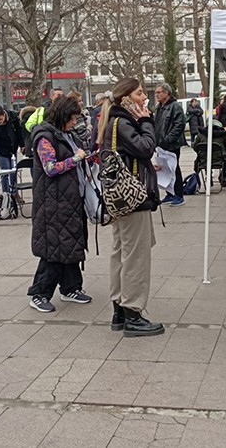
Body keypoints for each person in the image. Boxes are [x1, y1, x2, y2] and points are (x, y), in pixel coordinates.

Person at [98, 77, 164, 337]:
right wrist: (147, 121)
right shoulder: (124, 122)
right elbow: (146, 148)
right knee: (135, 256)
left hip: (120, 199)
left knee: (121, 252)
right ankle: (133, 313)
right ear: (125, 98)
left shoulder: (112, 121)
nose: (144, 97)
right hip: (133, 198)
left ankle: (119, 309)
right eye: (139, 93)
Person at [27, 96, 92, 313]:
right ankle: (39, 293)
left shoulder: (67, 133)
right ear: (62, 116)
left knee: (71, 244)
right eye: (72, 118)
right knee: (53, 249)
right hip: (52, 203)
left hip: (70, 199)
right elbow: (51, 168)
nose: (75, 122)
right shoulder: (44, 137)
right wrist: (75, 159)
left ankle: (71, 287)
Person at [154, 82, 187, 206]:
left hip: (171, 145)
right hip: (160, 145)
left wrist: (168, 139)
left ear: (166, 93)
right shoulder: (159, 108)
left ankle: (179, 194)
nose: (156, 95)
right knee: (164, 169)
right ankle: (170, 193)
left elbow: (179, 124)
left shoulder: (175, 106)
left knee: (174, 168)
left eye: (158, 92)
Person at [0, 105, 25, 200]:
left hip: (13, 146)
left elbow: (19, 130)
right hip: (1, 148)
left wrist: (22, 144)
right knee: (4, 172)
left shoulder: (12, 116)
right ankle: (6, 195)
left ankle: (14, 193)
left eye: (0, 119)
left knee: (13, 172)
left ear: (4, 114)